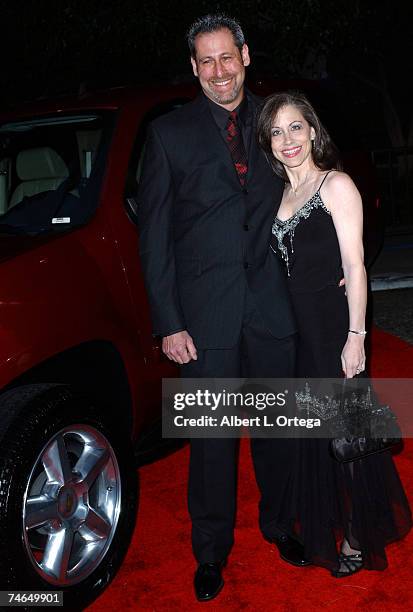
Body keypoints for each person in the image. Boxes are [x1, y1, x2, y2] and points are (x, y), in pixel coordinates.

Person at [137, 14, 308, 602]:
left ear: (245, 56)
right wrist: (168, 322)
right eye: (205, 61)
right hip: (202, 319)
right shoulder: (169, 134)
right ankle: (210, 552)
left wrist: (336, 273)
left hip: (271, 307)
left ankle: (282, 525)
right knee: (210, 446)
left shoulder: (276, 119)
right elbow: (154, 238)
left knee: (277, 432)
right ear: (193, 67)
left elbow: (314, 190)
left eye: (226, 58)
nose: (218, 71)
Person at [257, 91, 412, 576]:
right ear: (268, 141)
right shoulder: (278, 194)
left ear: (313, 130)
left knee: (348, 434)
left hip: (332, 328)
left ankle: (357, 537)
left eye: (296, 127)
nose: (288, 139)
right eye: (277, 131)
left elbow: (356, 264)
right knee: (319, 434)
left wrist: (357, 335)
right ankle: (333, 521)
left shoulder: (336, 184)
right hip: (298, 334)